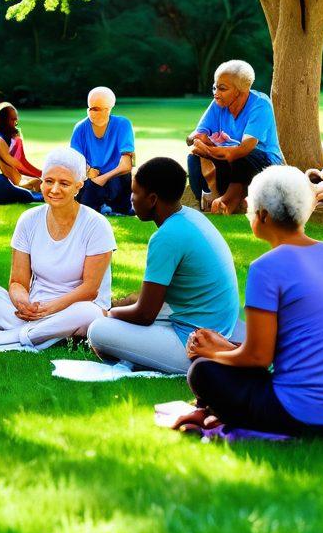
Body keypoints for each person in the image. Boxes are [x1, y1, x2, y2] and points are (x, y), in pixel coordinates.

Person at [177, 166, 323, 437]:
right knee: (225, 366)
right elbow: (281, 348)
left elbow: (259, 358)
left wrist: (212, 353)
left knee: (202, 371)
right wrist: (227, 347)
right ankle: (219, 409)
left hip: (305, 414)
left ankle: (221, 411)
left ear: (263, 215)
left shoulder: (266, 268)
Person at [87, 157, 240, 374]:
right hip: (218, 324)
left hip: (197, 344)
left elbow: (145, 314)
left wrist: (110, 313)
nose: (131, 199)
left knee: (98, 330)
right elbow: (154, 303)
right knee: (126, 317)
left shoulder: (166, 237)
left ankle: (140, 359)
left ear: (152, 199)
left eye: (135, 192)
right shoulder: (190, 217)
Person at [0, 147, 116, 351]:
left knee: (90, 314)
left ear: (78, 186)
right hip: (33, 310)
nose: (54, 189)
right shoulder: (28, 220)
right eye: (49, 181)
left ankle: (11, 337)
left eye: (64, 183)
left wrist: (49, 309)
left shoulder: (97, 225)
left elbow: (90, 290)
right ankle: (46, 334)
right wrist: (23, 303)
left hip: (75, 309)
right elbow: (17, 281)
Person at [186, 59, 284, 215]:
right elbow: (193, 137)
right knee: (193, 157)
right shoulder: (218, 103)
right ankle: (205, 201)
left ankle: (228, 201)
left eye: (222, 88)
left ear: (241, 91)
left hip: (262, 161)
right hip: (227, 158)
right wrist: (201, 141)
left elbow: (243, 149)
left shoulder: (260, 104)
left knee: (242, 158)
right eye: (214, 87)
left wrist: (209, 149)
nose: (216, 93)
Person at [69, 86, 136, 216]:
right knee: (85, 198)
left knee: (116, 182)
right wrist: (88, 170)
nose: (95, 113)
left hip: (115, 178)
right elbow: (74, 161)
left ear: (109, 108)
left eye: (100, 109)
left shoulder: (122, 124)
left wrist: (102, 179)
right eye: (92, 108)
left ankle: (114, 207)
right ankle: (102, 207)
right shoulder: (80, 128)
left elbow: (126, 165)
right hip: (90, 178)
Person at [0, 101, 43, 205]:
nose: (16, 121)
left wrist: (41, 174)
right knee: (31, 195)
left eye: (16, 118)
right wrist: (42, 175)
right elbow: (16, 165)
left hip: (9, 179)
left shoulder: (14, 133)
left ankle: (28, 187)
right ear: (3, 120)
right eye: (13, 119)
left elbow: (22, 160)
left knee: (39, 182)